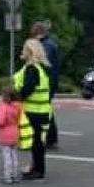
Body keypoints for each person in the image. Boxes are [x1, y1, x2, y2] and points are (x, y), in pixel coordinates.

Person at [15, 38, 52, 181]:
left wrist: (16, 97)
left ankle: (38, 170)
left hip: (34, 110)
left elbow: (28, 88)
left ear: (29, 51)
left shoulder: (32, 69)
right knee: (38, 141)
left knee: (36, 142)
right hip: (41, 109)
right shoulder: (39, 67)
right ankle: (36, 167)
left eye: (24, 48)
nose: (22, 51)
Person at [34, 20, 61, 151]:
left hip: (46, 83)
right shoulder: (47, 44)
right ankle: (51, 138)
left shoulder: (46, 45)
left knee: (43, 110)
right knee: (45, 110)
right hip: (49, 82)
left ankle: (49, 139)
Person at [0, 85, 22, 184]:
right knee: (14, 154)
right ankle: (14, 174)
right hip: (15, 132)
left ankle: (7, 175)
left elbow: (1, 121)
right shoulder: (18, 107)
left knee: (7, 155)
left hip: (5, 133)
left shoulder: (3, 107)